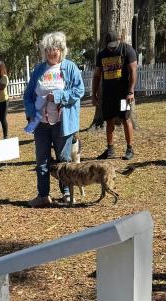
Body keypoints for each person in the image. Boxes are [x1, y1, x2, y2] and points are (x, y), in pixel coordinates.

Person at [23, 32, 85, 207]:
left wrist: (58, 96)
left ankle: (67, 193)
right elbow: (27, 95)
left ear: (62, 50)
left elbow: (79, 91)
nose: (52, 52)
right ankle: (43, 195)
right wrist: (30, 113)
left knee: (63, 160)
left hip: (62, 123)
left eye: (55, 49)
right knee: (41, 161)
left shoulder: (70, 67)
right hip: (41, 123)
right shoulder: (39, 70)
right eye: (49, 49)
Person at [92, 30, 138, 160]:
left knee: (125, 118)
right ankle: (110, 149)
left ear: (119, 40)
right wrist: (94, 94)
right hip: (108, 95)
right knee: (109, 120)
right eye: (109, 45)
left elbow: (133, 70)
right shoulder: (102, 54)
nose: (112, 47)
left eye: (114, 44)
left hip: (123, 94)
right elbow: (96, 75)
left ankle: (130, 148)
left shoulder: (127, 50)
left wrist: (130, 91)